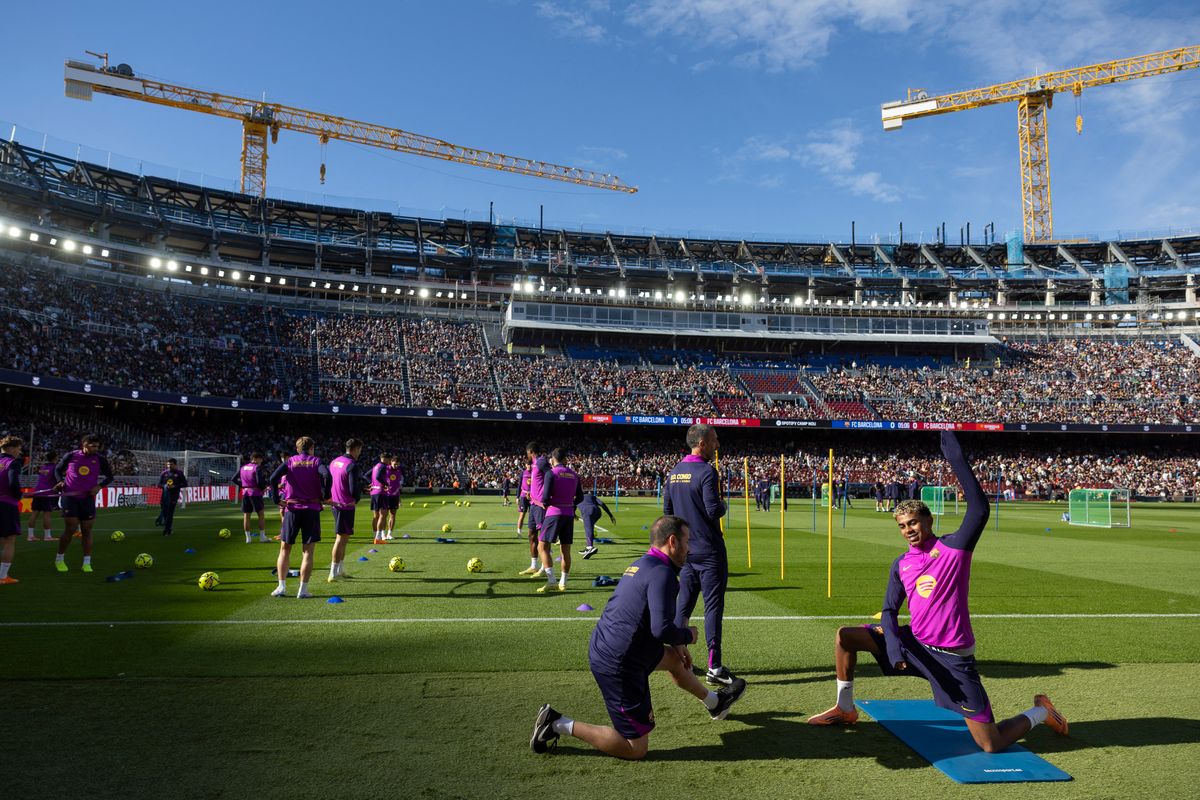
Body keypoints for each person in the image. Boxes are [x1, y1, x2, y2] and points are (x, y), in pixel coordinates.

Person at [806, 431, 1069, 754]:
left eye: (914, 522)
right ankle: (844, 708)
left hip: (952, 659)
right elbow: (889, 611)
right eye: (902, 526)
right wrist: (893, 648)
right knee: (845, 636)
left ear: (929, 520)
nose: (909, 530)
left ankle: (1042, 711)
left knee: (991, 744)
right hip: (915, 645)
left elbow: (979, 509)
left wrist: (955, 458)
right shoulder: (901, 563)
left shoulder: (954, 548)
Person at [530, 515, 747, 760]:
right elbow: (660, 629)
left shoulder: (644, 564)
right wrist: (688, 635)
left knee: (676, 661)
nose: (690, 549)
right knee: (635, 748)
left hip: (617, 646)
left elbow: (652, 619)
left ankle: (715, 703)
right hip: (620, 662)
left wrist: (677, 644)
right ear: (673, 542)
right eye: (688, 542)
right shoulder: (663, 574)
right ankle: (557, 723)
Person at [664, 423, 735, 687]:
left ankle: (677, 655)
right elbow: (713, 509)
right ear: (702, 443)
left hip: (685, 552)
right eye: (715, 440)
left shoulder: (674, 472)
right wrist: (724, 504)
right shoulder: (707, 471)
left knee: (684, 603)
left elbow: (667, 513)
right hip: (709, 550)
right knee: (713, 607)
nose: (718, 444)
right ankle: (714, 666)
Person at [268, 436, 330, 599]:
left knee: (284, 549)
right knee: (308, 552)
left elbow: (273, 478)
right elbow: (327, 475)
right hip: (311, 509)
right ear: (312, 448)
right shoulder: (316, 461)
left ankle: (281, 587)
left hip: (292, 509)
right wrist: (325, 494)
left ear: (297, 449)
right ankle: (303, 590)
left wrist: (275, 499)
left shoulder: (290, 462)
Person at [53, 434, 114, 573]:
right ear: (84, 444)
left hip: (87, 498)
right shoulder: (71, 456)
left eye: (97, 446)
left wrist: (99, 486)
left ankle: (87, 563)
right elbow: (57, 470)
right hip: (70, 497)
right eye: (93, 446)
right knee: (71, 528)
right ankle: (59, 559)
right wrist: (59, 481)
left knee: (86, 530)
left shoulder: (100, 459)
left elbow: (110, 477)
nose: (96, 448)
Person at [536, 447, 583, 593]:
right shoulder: (574, 475)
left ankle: (551, 581)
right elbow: (580, 497)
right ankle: (563, 582)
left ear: (552, 459)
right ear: (565, 459)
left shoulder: (551, 473)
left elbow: (545, 498)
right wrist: (571, 504)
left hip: (553, 513)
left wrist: (544, 503)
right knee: (565, 549)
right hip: (568, 514)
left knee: (542, 547)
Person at [327, 438, 364, 582]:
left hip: (336, 503)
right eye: (359, 450)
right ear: (355, 449)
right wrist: (357, 498)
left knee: (344, 538)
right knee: (340, 539)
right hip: (345, 505)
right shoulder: (352, 464)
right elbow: (353, 487)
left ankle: (340, 569)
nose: (360, 453)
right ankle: (333, 573)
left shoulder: (334, 461)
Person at [0, 436, 24, 584]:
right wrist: (18, 495)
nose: (19, 452)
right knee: (9, 541)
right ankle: (2, 576)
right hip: (6, 503)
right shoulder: (12, 463)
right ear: (12, 448)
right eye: (19, 449)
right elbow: (13, 482)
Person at [237, 452, 270, 543]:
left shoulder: (243, 468)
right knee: (261, 515)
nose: (261, 461)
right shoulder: (257, 467)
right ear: (255, 458)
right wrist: (263, 488)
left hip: (245, 493)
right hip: (255, 493)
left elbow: (233, 479)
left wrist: (243, 486)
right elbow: (259, 482)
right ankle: (262, 537)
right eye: (260, 459)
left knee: (246, 516)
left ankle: (248, 539)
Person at [27, 450, 57, 542]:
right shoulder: (55, 467)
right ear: (55, 458)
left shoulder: (43, 467)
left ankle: (30, 536)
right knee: (47, 514)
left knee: (34, 513)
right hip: (47, 493)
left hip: (37, 492)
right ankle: (47, 536)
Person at [577, 490, 616, 560]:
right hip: (598, 511)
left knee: (588, 528)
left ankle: (590, 547)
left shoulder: (578, 497)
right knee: (589, 527)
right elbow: (602, 504)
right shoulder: (592, 496)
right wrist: (610, 515)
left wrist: (574, 515)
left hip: (587, 511)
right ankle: (587, 547)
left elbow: (572, 507)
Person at [155, 458, 188, 536]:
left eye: (171, 464)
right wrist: (165, 486)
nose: (169, 466)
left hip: (173, 496)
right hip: (164, 496)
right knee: (165, 513)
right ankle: (169, 528)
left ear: (175, 465)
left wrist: (175, 486)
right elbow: (159, 484)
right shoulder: (164, 473)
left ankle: (166, 530)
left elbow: (185, 484)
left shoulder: (179, 473)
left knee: (170, 513)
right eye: (168, 464)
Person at [516, 462, 538, 575]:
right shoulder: (523, 473)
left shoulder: (535, 473)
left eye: (530, 464)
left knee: (532, 516)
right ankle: (519, 532)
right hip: (524, 496)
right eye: (527, 464)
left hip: (533, 497)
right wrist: (517, 497)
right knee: (522, 515)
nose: (529, 466)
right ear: (525, 465)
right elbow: (519, 485)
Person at [380, 454, 403, 540]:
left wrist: (399, 499)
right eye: (395, 464)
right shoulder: (386, 469)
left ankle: (389, 534)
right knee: (384, 516)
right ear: (391, 462)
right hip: (386, 495)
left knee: (393, 515)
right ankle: (382, 534)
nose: (396, 466)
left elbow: (397, 485)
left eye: (398, 464)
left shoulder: (398, 471)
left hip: (395, 496)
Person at [369, 452, 390, 544]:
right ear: (384, 459)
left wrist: (372, 484)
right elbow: (378, 477)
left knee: (376, 516)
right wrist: (386, 484)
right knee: (383, 515)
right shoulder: (383, 466)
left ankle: (375, 536)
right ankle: (378, 538)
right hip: (381, 492)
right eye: (389, 459)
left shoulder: (375, 466)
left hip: (374, 492)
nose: (390, 461)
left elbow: (366, 475)